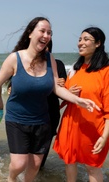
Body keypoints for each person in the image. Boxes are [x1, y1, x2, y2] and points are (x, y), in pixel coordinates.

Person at [0, 17, 99, 182]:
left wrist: (78, 100)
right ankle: (11, 179)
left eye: (49, 33)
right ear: (30, 33)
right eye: (42, 31)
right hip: (17, 120)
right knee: (19, 163)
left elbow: (55, 86)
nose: (46, 35)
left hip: (42, 121)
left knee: (36, 164)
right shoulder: (14, 59)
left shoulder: (50, 59)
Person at [53, 27, 109, 182]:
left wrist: (105, 134)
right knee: (69, 159)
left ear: (98, 43)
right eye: (80, 39)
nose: (81, 43)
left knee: (93, 165)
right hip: (71, 122)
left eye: (86, 39)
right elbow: (65, 95)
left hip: (94, 125)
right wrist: (67, 90)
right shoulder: (75, 69)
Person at [40, 40, 67, 168]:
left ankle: (39, 172)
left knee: (43, 148)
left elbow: (62, 90)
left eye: (46, 47)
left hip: (51, 112)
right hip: (32, 111)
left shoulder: (58, 64)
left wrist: (63, 85)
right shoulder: (28, 63)